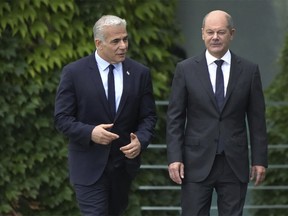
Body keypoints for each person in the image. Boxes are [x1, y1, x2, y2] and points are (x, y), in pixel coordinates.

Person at [166, 10, 268, 216]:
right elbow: (175, 118)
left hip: (234, 162)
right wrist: (174, 157)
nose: (215, 37)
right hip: (195, 162)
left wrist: (259, 159)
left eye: (221, 32)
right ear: (202, 33)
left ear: (232, 33)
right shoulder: (185, 70)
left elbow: (257, 120)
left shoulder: (249, 71)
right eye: (210, 32)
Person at [54, 15, 157, 216]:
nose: (123, 46)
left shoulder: (139, 73)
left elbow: (149, 117)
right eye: (115, 41)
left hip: (123, 167)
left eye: (125, 39)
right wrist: (90, 132)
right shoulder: (74, 73)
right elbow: (62, 118)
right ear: (98, 43)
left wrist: (141, 141)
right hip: (88, 165)